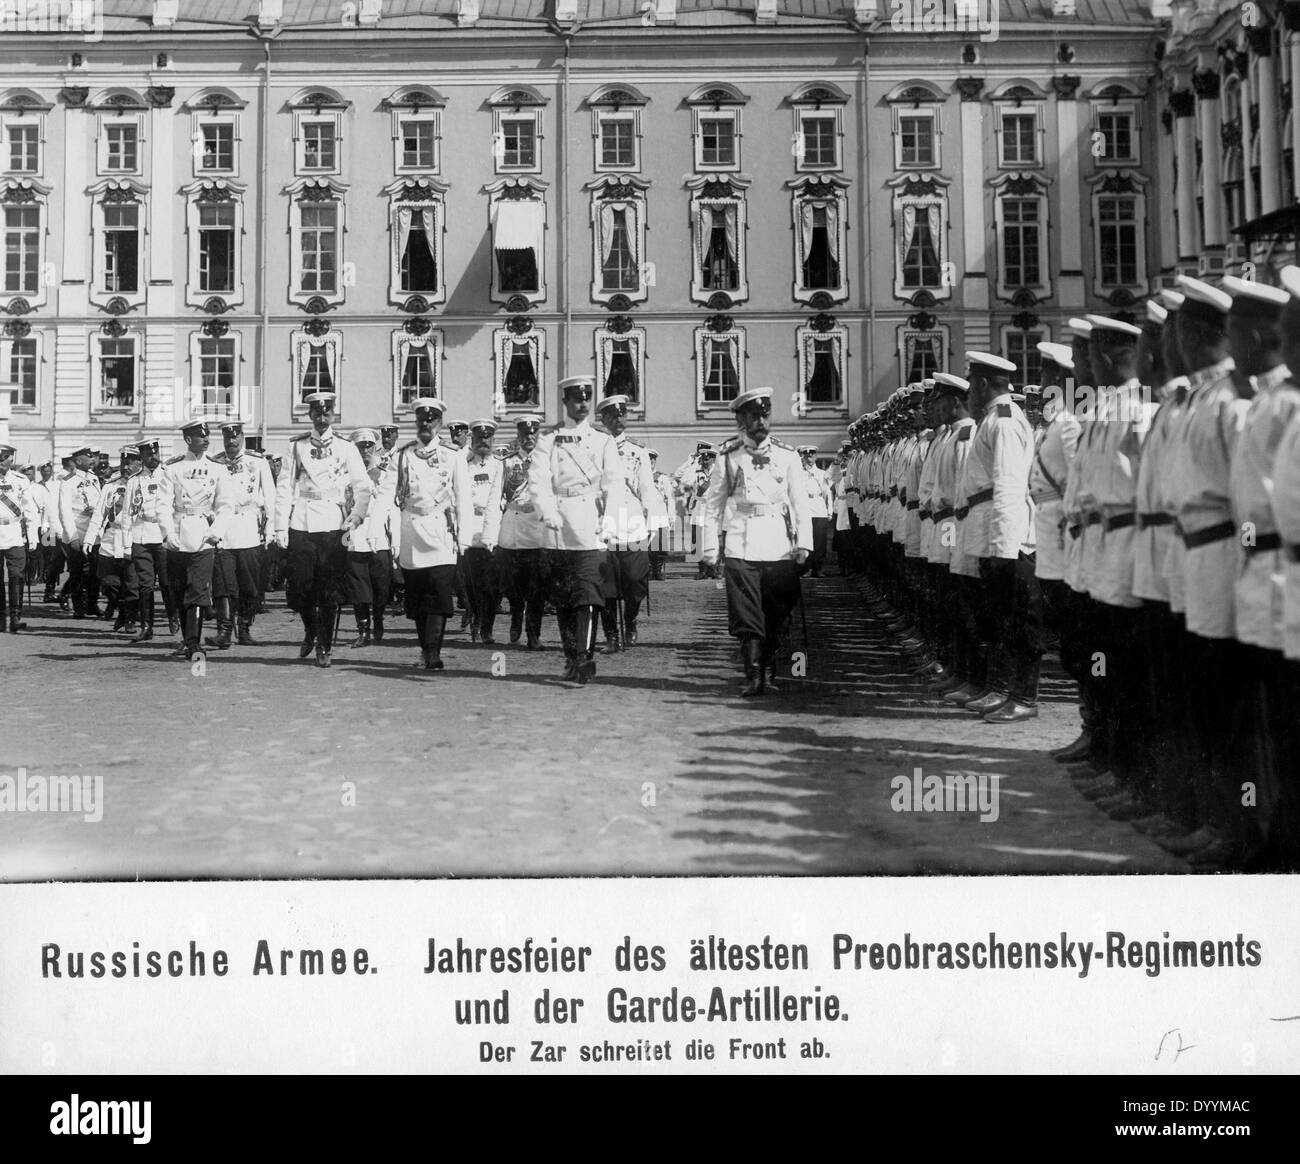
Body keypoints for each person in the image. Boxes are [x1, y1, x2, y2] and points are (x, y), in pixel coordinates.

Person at [699, 386, 812, 696]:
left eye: (765, 415)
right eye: (753, 416)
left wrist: (804, 543)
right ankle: (754, 675)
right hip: (741, 540)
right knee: (747, 613)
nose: (761, 421)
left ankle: (772, 671)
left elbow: (800, 503)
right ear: (741, 421)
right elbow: (712, 505)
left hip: (778, 543)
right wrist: (708, 548)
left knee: (777, 613)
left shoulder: (788, 456)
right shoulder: (728, 457)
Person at [957, 351, 1042, 723]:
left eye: (972, 386)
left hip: (1006, 534)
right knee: (998, 615)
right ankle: (1001, 688)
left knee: (1016, 618)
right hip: (989, 527)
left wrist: (1003, 546)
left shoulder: (1004, 421)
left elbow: (1008, 486)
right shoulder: (992, 419)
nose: (969, 395)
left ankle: (1022, 695)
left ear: (981, 384)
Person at [528, 374, 624, 684]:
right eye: (576, 399)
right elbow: (538, 481)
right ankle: (571, 656)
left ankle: (584, 657)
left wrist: (610, 519)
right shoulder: (548, 440)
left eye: (586, 398)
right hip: (559, 525)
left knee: (589, 592)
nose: (582, 404)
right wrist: (546, 510)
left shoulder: (603, 440)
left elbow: (614, 484)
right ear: (566, 402)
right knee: (565, 598)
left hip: (590, 524)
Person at [273, 391, 372, 668]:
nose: (321, 417)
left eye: (326, 413)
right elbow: (284, 488)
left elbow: (363, 487)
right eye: (317, 413)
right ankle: (311, 629)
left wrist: (355, 517)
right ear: (310, 415)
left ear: (333, 415)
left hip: (332, 522)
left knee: (329, 590)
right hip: (302, 521)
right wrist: (280, 525)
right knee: (301, 587)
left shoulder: (346, 447)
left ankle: (325, 646)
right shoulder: (297, 446)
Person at [394, 397, 473, 670]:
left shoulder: (453, 456)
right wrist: (394, 539)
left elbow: (463, 498)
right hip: (412, 529)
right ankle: (425, 649)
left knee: (438, 594)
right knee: (417, 595)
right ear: (416, 423)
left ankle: (433, 653)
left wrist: (464, 537)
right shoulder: (404, 455)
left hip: (441, 529)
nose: (425, 424)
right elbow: (393, 499)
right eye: (421, 420)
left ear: (439, 424)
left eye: (431, 420)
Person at [595, 394, 662, 650]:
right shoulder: (594, 449)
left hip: (632, 524)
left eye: (622, 415)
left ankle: (630, 619)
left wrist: (653, 526)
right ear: (604, 419)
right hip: (604, 526)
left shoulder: (637, 451)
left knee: (635, 581)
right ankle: (611, 636)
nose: (619, 419)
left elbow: (647, 489)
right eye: (613, 416)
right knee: (606, 585)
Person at [160, 421, 228, 661]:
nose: (206, 439)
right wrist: (168, 533)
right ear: (188, 440)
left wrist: (216, 531)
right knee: (178, 590)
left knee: (198, 590)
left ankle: (193, 644)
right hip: (178, 533)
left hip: (202, 534)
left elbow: (225, 504)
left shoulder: (217, 468)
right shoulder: (173, 468)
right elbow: (163, 505)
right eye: (201, 436)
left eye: (207, 435)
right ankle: (187, 639)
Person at [207, 420, 276, 649]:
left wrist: (270, 528)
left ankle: (244, 628)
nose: (232, 442)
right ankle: (224, 631)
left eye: (235, 437)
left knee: (249, 584)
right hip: (224, 529)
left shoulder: (257, 463)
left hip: (248, 528)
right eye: (227, 438)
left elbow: (270, 497)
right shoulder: (215, 463)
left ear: (242, 437)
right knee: (223, 583)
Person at [497, 414, 551, 650]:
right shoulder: (507, 462)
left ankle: (533, 633)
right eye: (524, 434)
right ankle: (516, 615)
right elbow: (496, 495)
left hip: (538, 527)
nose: (529, 438)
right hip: (514, 525)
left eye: (533, 433)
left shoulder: (547, 462)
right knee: (513, 583)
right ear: (518, 436)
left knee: (538, 586)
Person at [344, 427, 399, 647]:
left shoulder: (383, 474)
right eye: (360, 446)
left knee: (380, 586)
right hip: (355, 536)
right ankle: (363, 630)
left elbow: (391, 508)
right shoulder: (345, 475)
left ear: (374, 448)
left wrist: (395, 539)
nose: (365, 450)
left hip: (379, 536)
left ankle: (378, 619)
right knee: (359, 588)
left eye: (368, 446)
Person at [120, 438, 176, 643]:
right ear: (141, 457)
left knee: (168, 583)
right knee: (145, 585)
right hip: (141, 534)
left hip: (162, 534)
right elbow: (127, 513)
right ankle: (147, 626)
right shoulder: (135, 480)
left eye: (155, 453)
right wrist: (126, 544)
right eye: (148, 454)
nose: (153, 457)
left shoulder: (169, 474)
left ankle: (173, 617)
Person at [83, 444, 141, 633]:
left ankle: (130, 619)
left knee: (131, 584)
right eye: (124, 462)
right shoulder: (111, 486)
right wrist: (89, 539)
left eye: (131, 462)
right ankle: (121, 609)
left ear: (139, 463)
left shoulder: (143, 485)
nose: (126, 466)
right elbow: (99, 514)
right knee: (108, 583)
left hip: (132, 539)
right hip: (110, 539)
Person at [461, 419, 505, 644]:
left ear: (493, 440)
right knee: (470, 583)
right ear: (473, 440)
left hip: (491, 531)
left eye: (487, 438)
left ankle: (487, 626)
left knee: (491, 585)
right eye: (479, 438)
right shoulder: (463, 464)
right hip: (469, 530)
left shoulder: (500, 465)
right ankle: (476, 621)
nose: (483, 442)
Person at [57, 446, 101, 619]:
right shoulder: (68, 481)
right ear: (77, 460)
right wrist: (73, 536)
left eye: (91, 456)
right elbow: (65, 511)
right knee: (77, 572)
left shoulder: (94, 478)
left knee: (94, 571)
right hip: (78, 530)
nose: (91, 459)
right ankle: (78, 606)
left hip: (94, 532)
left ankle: (92, 604)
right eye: (86, 456)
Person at [0, 440, 39, 632]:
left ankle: (15, 617)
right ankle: (0, 619)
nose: (1, 461)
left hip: (14, 533)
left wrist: (33, 536)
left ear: (11, 459)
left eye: (5, 457)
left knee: (17, 575)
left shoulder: (20, 480)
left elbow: (30, 510)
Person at [798, 446, 833, 577]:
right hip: (805, 507)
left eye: (812, 456)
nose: (810, 458)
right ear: (804, 457)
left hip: (818, 507)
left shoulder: (822, 473)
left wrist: (829, 511)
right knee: (806, 540)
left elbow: (828, 493)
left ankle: (818, 568)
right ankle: (806, 568)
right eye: (807, 456)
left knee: (819, 540)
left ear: (816, 457)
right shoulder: (799, 473)